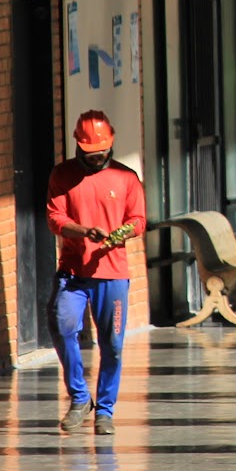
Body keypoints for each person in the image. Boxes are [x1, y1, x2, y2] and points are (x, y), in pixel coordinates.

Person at [46, 109, 147, 434]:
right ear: (78, 145)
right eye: (90, 152)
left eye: (101, 151)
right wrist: (81, 231)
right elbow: (54, 218)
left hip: (113, 273)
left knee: (112, 345)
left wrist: (122, 232)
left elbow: (139, 220)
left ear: (111, 143)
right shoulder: (62, 175)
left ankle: (105, 410)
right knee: (63, 328)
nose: (96, 156)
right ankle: (79, 398)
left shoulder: (126, 178)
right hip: (73, 271)